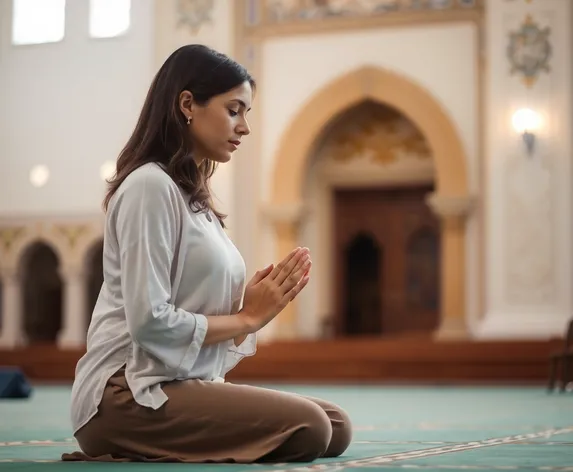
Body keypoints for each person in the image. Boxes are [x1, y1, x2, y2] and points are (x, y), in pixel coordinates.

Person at [62, 44, 352, 464]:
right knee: (312, 426)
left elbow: (193, 322)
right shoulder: (149, 187)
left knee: (335, 425)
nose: (245, 127)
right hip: (124, 393)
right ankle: (121, 438)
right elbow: (148, 322)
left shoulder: (193, 200)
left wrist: (251, 313)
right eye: (234, 110)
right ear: (187, 105)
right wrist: (246, 319)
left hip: (177, 381)